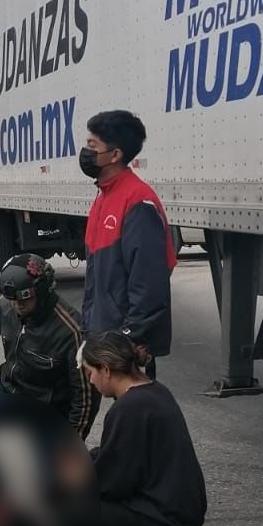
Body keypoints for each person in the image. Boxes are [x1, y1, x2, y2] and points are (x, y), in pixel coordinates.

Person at [79, 331, 206, 526]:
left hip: (169, 520)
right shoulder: (153, 391)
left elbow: (112, 483)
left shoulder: (128, 409)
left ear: (105, 369)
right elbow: (123, 456)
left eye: (90, 372)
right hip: (181, 512)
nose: (90, 381)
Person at [0, 254, 96, 438]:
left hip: (46, 411)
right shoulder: (6, 305)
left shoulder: (71, 331)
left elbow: (85, 399)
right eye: (12, 299)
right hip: (9, 391)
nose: (17, 305)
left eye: (24, 299)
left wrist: (70, 446)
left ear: (43, 291)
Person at [80, 110, 177, 370]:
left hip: (123, 347)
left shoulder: (137, 202)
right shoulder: (103, 197)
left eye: (93, 146)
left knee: (135, 408)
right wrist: (88, 328)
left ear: (115, 154)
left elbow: (148, 283)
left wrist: (132, 338)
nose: (85, 152)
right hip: (104, 339)